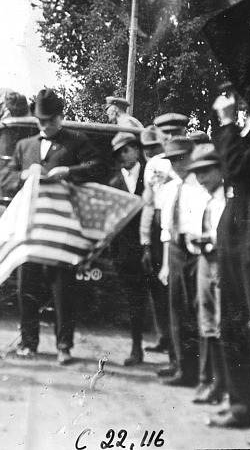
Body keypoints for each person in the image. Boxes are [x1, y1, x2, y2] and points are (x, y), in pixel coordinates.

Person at [2, 88, 107, 365]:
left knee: (63, 288)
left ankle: (64, 347)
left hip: (61, 228)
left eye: (50, 120)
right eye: (40, 120)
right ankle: (29, 343)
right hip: (31, 227)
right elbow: (6, 177)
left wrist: (70, 172)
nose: (45, 126)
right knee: (27, 285)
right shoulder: (25, 146)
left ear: (61, 117)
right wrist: (25, 174)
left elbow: (98, 166)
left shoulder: (76, 141)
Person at [206, 88, 250, 428]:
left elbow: (237, 167)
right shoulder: (249, 129)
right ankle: (242, 405)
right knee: (234, 318)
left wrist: (225, 122)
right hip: (239, 219)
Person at [157, 137, 208, 387]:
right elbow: (166, 230)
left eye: (181, 158)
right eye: (172, 160)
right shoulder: (170, 189)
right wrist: (167, 264)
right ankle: (180, 364)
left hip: (198, 253)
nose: (177, 165)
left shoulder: (201, 186)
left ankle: (198, 371)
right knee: (176, 309)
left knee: (196, 310)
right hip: (176, 253)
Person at [185, 146, 227, 406]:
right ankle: (211, 382)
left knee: (225, 324)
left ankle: (226, 387)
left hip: (223, 263)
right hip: (204, 261)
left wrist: (210, 239)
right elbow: (193, 228)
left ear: (220, 170)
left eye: (206, 172)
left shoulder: (229, 198)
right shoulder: (202, 198)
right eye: (197, 173)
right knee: (207, 322)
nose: (201, 179)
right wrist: (195, 241)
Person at [108, 132, 150, 366]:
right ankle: (136, 349)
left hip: (151, 247)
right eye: (118, 153)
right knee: (133, 301)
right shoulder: (114, 182)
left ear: (135, 149)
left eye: (125, 150)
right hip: (125, 252)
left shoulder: (150, 174)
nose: (122, 156)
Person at [138, 126, 174, 359]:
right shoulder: (149, 167)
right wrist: (145, 241)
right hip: (155, 223)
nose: (152, 153)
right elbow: (148, 202)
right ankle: (165, 337)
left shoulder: (168, 164)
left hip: (169, 222)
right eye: (147, 149)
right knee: (157, 289)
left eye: (155, 148)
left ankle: (173, 343)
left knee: (170, 289)